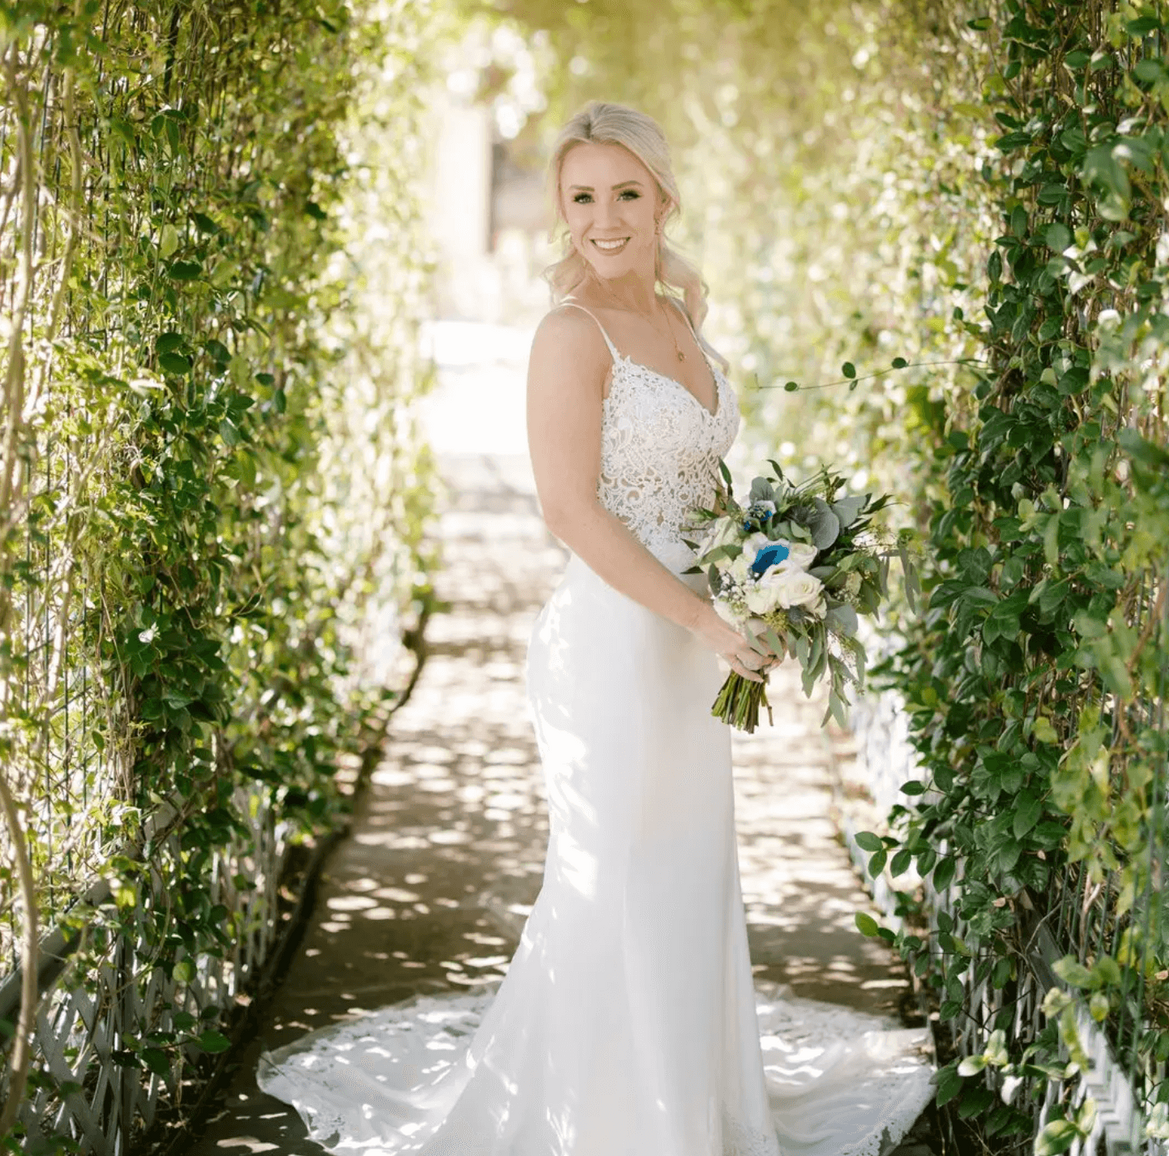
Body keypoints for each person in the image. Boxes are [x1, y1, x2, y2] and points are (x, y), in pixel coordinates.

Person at [257, 101, 934, 1154]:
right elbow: (571, 511)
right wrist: (708, 617)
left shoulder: (683, 313)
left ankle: (690, 1113)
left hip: (696, 639)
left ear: (663, 198)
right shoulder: (569, 335)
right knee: (612, 874)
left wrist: (768, 578)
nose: (605, 218)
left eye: (626, 193)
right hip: (615, 646)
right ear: (562, 210)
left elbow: (701, 485)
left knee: (689, 873)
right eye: (582, 197)